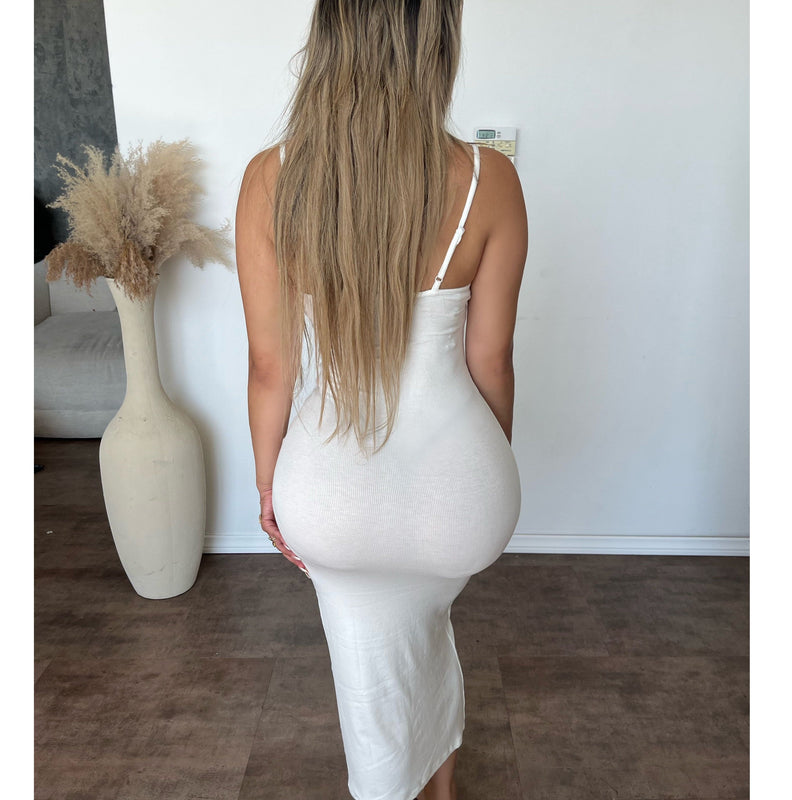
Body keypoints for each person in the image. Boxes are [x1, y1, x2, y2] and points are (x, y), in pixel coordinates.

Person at [235, 2, 528, 798]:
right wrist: (488, 468)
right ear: (438, 43)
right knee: (426, 634)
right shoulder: (489, 180)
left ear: (329, 37)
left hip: (332, 498)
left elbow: (270, 366)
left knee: (376, 674)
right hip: (462, 493)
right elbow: (492, 360)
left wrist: (267, 488)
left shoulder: (270, 179)